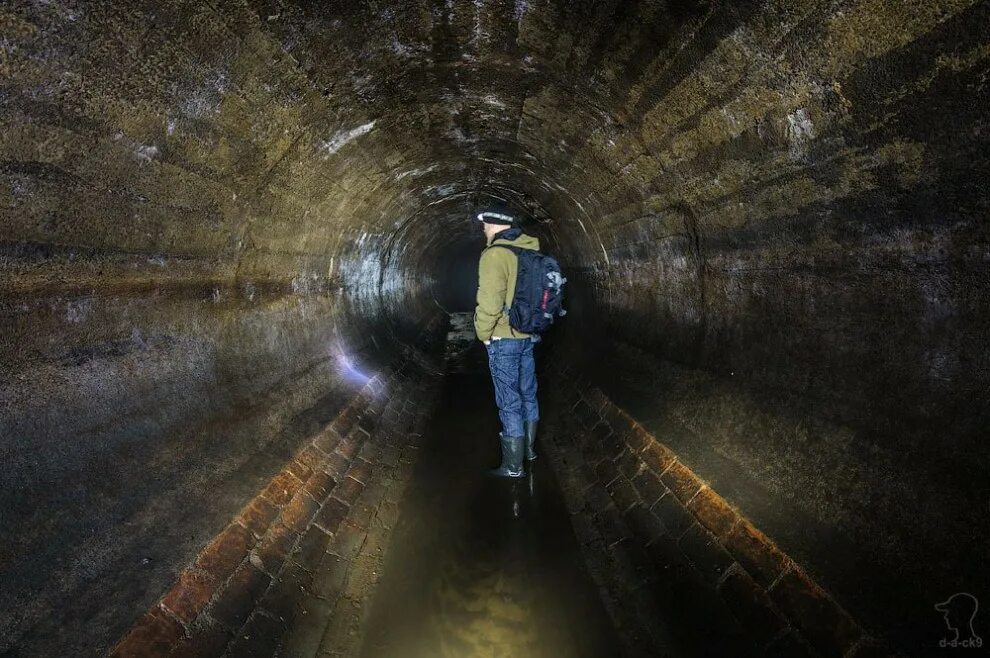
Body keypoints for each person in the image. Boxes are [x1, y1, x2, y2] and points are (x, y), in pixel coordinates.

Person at [474, 208, 540, 478]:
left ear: (493, 225)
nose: (483, 230)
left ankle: (513, 467)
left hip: (504, 338)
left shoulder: (494, 255)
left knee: (509, 401)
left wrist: (483, 333)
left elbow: (489, 301)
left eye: (485, 225)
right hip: (528, 335)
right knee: (528, 394)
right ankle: (529, 452)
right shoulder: (531, 249)